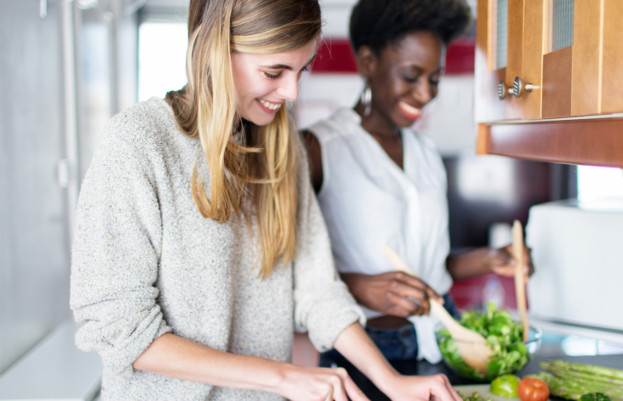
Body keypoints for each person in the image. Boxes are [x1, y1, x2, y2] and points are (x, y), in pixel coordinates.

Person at [69, 1, 463, 400]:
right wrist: (284, 377)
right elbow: (120, 328)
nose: (291, 92)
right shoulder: (139, 142)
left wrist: (391, 382)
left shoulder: (281, 146)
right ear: (218, 51)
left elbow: (318, 290)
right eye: (274, 72)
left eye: (301, 70)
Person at [301, 0, 533, 365]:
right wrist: (358, 284)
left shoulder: (426, 152)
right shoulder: (318, 148)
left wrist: (492, 259)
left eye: (435, 79)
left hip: (443, 335)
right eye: (411, 76)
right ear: (368, 62)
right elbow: (282, 269)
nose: (425, 94)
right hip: (367, 345)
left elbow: (430, 269)